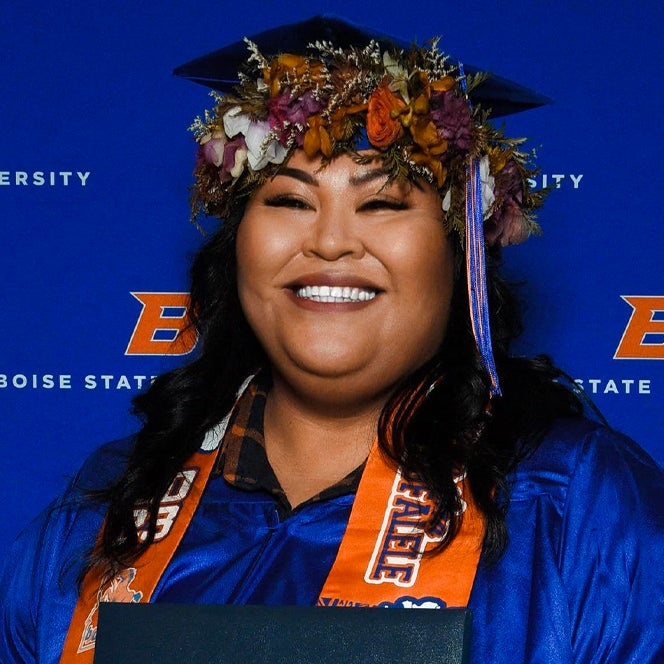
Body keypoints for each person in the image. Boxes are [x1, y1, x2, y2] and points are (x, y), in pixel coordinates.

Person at [2, 15, 663, 664]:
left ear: (461, 253)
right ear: (238, 248)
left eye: (383, 203)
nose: (328, 241)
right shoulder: (107, 510)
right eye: (290, 202)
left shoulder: (578, 507)